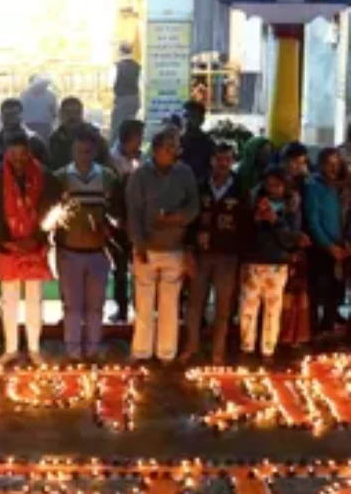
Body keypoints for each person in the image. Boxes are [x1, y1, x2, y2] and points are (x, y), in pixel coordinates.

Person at [126, 129, 199, 364]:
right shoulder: (140, 176)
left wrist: (176, 218)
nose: (173, 151)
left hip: (174, 247)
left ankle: (166, 352)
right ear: (156, 149)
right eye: (169, 147)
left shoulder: (185, 173)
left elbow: (193, 208)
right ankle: (141, 351)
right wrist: (138, 245)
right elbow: (133, 213)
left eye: (176, 146)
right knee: (144, 302)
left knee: (170, 304)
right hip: (146, 247)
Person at [0, 132, 59, 366]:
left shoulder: (45, 177)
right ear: (6, 153)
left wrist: (37, 237)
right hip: (8, 246)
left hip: (34, 245)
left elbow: (51, 210)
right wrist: (4, 240)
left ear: (29, 152)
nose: (19, 159)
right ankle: (10, 348)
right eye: (14, 154)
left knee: (34, 298)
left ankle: (34, 348)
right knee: (8, 299)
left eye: (23, 154)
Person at [55, 125, 119, 361]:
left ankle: (92, 348)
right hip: (69, 251)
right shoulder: (61, 177)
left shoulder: (107, 177)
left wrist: (109, 228)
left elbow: (116, 211)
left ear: (95, 152)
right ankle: (72, 351)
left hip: (98, 251)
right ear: (73, 151)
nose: (85, 155)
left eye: (89, 151)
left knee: (95, 305)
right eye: (80, 150)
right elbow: (52, 213)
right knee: (72, 305)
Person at [181, 143, 246, 365]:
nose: (223, 164)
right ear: (212, 160)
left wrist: (242, 255)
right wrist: (189, 248)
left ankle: (218, 350)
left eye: (228, 160)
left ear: (233, 161)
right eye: (220, 159)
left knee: (223, 306)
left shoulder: (240, 188)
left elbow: (246, 224)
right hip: (202, 253)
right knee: (195, 304)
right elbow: (190, 220)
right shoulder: (200, 186)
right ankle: (192, 346)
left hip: (228, 255)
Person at [240, 167, 308, 361]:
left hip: (277, 263)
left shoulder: (292, 208)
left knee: (273, 309)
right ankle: (246, 347)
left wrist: (275, 221)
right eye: (269, 185)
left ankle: (268, 350)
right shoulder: (254, 202)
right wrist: (254, 219)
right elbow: (243, 231)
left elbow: (291, 238)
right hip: (253, 261)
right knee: (248, 308)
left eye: (277, 185)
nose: (272, 189)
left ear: (285, 186)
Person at [305, 147, 347, 335]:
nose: (333, 168)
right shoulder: (314, 186)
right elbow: (313, 219)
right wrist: (328, 245)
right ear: (321, 164)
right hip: (321, 247)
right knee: (317, 289)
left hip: (343, 246)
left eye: (336, 164)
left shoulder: (343, 187)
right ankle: (313, 331)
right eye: (329, 164)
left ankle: (328, 328)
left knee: (336, 291)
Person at [109, 119, 144, 322]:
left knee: (140, 268)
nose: (140, 142)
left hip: (139, 221)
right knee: (120, 268)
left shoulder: (143, 159)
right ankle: (121, 308)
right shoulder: (113, 160)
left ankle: (141, 307)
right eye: (137, 137)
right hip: (120, 223)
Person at [279, 142, 312, 347]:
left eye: (301, 162)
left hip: (299, 242)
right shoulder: (274, 182)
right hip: (280, 243)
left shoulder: (305, 184)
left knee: (297, 292)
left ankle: (294, 336)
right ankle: (279, 334)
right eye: (293, 162)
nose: (297, 166)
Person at [0, 99, 48, 170]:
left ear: (22, 116)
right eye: (7, 115)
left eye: (14, 114)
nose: (10, 118)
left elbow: (45, 168)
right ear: (1, 117)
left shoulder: (35, 141)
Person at [49, 98, 109, 171]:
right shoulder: (54, 139)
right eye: (68, 113)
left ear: (81, 114)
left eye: (76, 113)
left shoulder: (94, 137)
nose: (72, 117)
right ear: (61, 114)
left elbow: (106, 166)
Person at [110, 43, 141, 143]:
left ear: (120, 52)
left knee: (117, 128)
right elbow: (141, 83)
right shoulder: (138, 67)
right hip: (135, 99)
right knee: (131, 127)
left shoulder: (116, 67)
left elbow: (111, 83)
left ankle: (113, 152)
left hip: (122, 99)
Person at [179, 100, 215, 183]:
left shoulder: (208, 145)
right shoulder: (174, 142)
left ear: (201, 120)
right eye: (185, 116)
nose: (188, 121)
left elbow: (211, 173)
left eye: (193, 117)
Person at [20, 75, 58, 142]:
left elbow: (54, 112)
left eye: (46, 84)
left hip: (45, 125)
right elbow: (20, 111)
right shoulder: (24, 95)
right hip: (28, 125)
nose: (45, 86)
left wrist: (53, 124)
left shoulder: (51, 95)